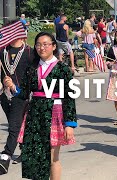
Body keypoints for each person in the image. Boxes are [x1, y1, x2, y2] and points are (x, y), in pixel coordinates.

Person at [4, 32, 77, 179]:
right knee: (36, 157)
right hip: (35, 114)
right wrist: (12, 86)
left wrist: (69, 124)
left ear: (53, 46)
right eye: (38, 44)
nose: (41, 47)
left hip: (55, 114)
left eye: (45, 44)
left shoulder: (62, 69)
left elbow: (69, 97)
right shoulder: (32, 68)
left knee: (52, 158)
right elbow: (23, 93)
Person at [0, 21, 33, 175]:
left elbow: (34, 76)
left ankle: (5, 156)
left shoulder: (29, 52)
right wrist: (5, 82)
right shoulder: (2, 52)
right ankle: (26, 151)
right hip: (4, 95)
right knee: (18, 126)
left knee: (13, 127)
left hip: (21, 95)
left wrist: (16, 86)